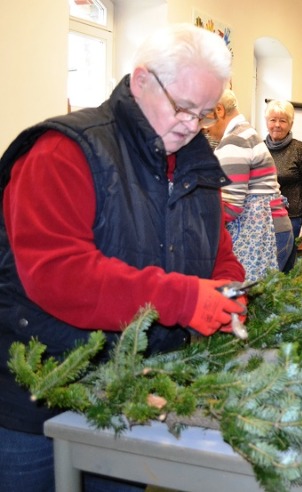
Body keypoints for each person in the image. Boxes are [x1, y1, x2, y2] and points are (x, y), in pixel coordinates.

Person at [0, 24, 246, 491]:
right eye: (182, 107)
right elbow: (57, 272)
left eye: (205, 113)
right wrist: (184, 299)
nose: (192, 125)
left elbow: (219, 255)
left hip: (132, 398)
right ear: (140, 82)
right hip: (34, 398)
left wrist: (228, 290)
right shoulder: (64, 151)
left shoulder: (195, 161)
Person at [207, 90, 296, 276]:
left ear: (219, 110)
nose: (203, 127)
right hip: (271, 230)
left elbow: (230, 206)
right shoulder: (246, 134)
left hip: (263, 235)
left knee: (250, 298)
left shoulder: (235, 141)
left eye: (203, 116)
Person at [265, 100, 302, 246]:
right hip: (264, 220)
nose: (277, 125)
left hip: (293, 220)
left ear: (290, 124)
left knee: (288, 266)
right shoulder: (259, 149)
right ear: (266, 122)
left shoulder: (300, 150)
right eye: (273, 120)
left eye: (283, 121)